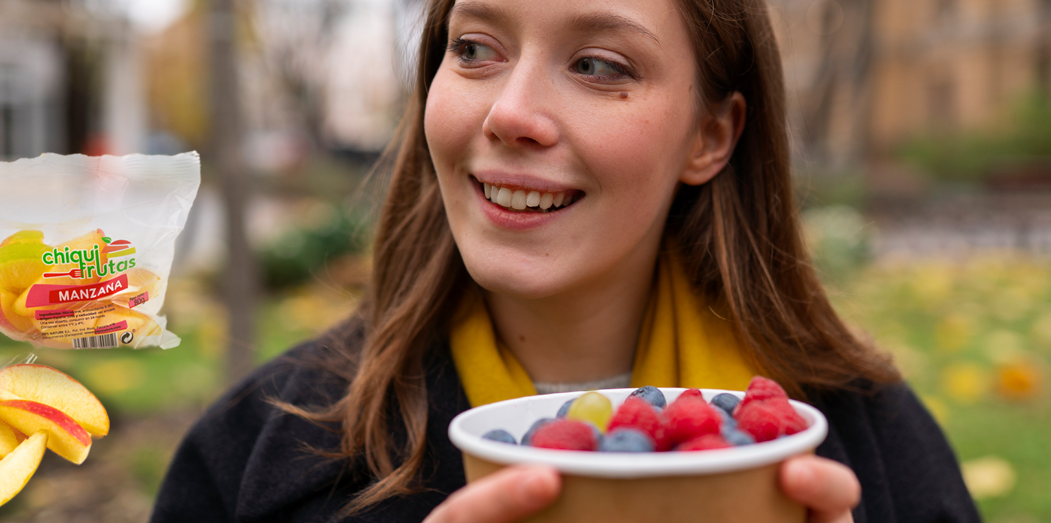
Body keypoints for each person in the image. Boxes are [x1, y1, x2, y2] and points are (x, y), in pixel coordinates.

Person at [150, 0, 980, 521]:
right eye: (475, 48)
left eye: (597, 65)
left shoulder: (876, 446)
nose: (511, 112)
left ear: (711, 135)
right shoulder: (256, 448)